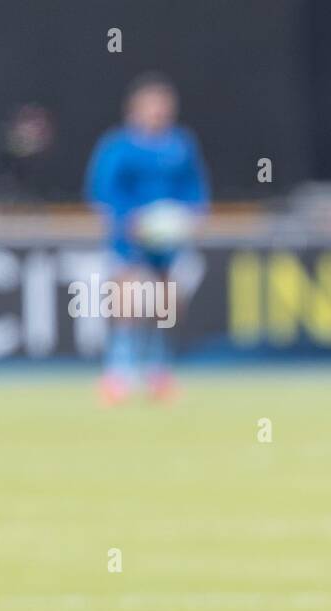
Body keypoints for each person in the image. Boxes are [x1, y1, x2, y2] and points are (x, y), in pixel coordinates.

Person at [85, 73, 209, 404]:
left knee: (166, 305)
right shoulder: (118, 147)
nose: (158, 112)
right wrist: (130, 220)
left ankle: (158, 372)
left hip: (168, 243)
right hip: (129, 240)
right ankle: (118, 373)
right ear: (135, 109)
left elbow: (194, 189)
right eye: (152, 106)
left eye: (164, 106)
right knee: (126, 301)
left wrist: (191, 217)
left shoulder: (180, 145)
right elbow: (104, 191)